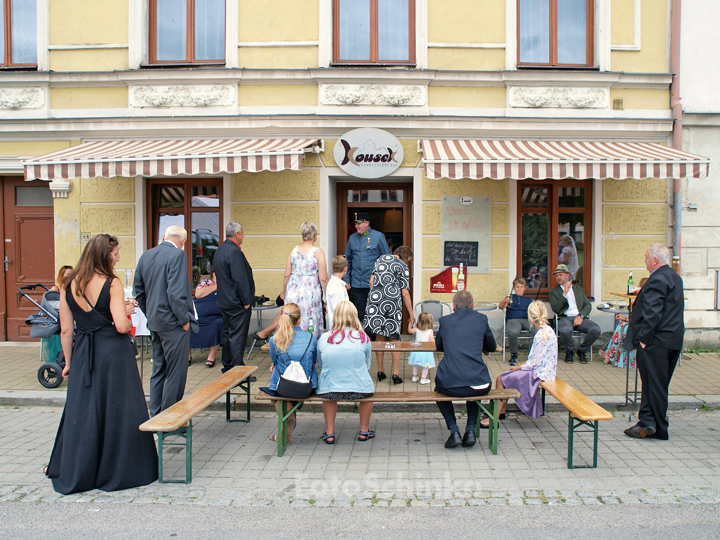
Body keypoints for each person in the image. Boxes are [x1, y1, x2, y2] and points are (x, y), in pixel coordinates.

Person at [46, 234, 157, 494]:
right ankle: (119, 469)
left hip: (84, 351)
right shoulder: (111, 283)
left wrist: (69, 363)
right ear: (105, 255)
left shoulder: (68, 283)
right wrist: (127, 314)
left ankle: (80, 468)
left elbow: (65, 330)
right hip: (113, 353)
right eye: (116, 252)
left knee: (83, 410)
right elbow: (120, 325)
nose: (118, 257)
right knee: (118, 410)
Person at [134, 225, 197, 417]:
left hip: (155, 322)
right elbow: (176, 293)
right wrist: (184, 319)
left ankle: (155, 414)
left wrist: (150, 313)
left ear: (164, 236)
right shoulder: (177, 255)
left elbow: (139, 291)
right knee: (175, 372)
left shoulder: (146, 255)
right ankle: (170, 417)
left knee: (158, 369)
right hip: (174, 323)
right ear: (183, 242)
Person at [624, 244, 685, 440]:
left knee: (655, 384)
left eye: (646, 257)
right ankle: (646, 421)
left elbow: (653, 314)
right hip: (672, 340)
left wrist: (643, 339)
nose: (644, 260)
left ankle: (660, 428)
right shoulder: (674, 277)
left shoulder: (656, 279)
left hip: (655, 341)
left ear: (654, 260)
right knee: (655, 383)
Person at [434, 290, 499, 449]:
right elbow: (491, 346)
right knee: (474, 390)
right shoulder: (481, 319)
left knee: (438, 391)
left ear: (453, 306)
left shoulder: (445, 321)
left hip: (449, 383)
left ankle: (454, 431)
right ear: (472, 306)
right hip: (479, 382)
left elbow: (439, 346)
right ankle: (470, 429)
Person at [480, 301, 557, 428]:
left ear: (531, 317)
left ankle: (494, 418)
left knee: (501, 379)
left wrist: (519, 367)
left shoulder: (541, 335)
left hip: (539, 373)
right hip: (544, 370)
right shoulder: (548, 330)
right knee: (505, 377)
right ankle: (501, 411)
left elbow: (534, 363)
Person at [253, 222, 329, 340]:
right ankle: (309, 347)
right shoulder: (317, 252)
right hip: (309, 293)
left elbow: (286, 275)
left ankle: (288, 346)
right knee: (310, 320)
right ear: (315, 235)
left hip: (293, 291)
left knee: (290, 319)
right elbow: (323, 278)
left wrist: (285, 292)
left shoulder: (294, 251)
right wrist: (327, 297)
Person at [316, 301, 375, 444]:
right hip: (359, 389)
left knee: (328, 395)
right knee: (368, 390)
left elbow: (320, 364)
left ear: (335, 317)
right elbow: (367, 364)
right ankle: (364, 430)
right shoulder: (362, 338)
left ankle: (330, 433)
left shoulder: (324, 338)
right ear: (354, 316)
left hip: (330, 389)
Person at [259, 303, 318, 444]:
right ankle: (289, 418)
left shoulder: (274, 340)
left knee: (275, 387)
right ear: (299, 319)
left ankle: (288, 417)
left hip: (285, 387)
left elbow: (275, 360)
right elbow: (314, 362)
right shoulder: (311, 338)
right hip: (308, 386)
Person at [363, 246, 415, 384]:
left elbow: (371, 282)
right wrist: (411, 313)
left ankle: (380, 370)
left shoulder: (381, 259)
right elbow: (404, 292)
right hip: (392, 302)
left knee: (379, 336)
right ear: (405, 257)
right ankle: (396, 373)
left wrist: (378, 293)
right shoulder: (403, 266)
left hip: (375, 301)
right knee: (394, 338)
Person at [213, 221, 255, 373]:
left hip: (225, 301)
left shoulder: (220, 250)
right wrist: (246, 301)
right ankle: (237, 370)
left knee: (228, 334)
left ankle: (228, 365)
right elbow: (240, 278)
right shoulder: (234, 252)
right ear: (237, 234)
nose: (243, 236)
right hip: (237, 303)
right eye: (242, 233)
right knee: (238, 336)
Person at [549, 264, 600, 365]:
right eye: (557, 275)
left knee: (596, 329)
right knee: (565, 330)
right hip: (564, 318)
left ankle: (582, 351)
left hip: (579, 317)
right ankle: (569, 351)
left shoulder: (578, 289)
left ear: (567, 275)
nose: (558, 277)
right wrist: (565, 293)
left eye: (560, 275)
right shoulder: (553, 292)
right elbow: (556, 308)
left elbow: (587, 305)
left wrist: (581, 316)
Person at [343, 212, 390, 323]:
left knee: (374, 312)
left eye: (359, 224)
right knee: (359, 312)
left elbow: (386, 260)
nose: (356, 226)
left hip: (374, 283)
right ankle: (360, 337)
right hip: (356, 283)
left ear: (366, 223)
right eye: (355, 224)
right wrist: (347, 279)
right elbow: (347, 260)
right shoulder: (352, 238)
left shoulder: (379, 237)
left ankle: (373, 338)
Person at [599, 278, 648, 368]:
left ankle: (610, 354)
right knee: (622, 326)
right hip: (643, 327)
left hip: (641, 330)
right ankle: (611, 354)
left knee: (622, 327)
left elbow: (637, 320)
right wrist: (625, 319)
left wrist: (625, 319)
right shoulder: (649, 301)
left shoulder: (641, 302)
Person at [498, 277, 536, 366]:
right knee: (513, 332)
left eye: (521, 287)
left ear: (525, 288)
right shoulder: (510, 298)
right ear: (514, 288)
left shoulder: (528, 300)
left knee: (539, 332)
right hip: (513, 320)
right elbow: (500, 306)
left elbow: (533, 312)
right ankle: (514, 354)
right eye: (517, 286)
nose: (519, 289)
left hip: (526, 320)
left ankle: (534, 354)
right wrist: (505, 301)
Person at [190, 267, 223, 368]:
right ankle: (187, 356)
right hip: (199, 315)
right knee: (188, 323)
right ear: (213, 274)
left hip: (215, 317)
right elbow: (198, 294)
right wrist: (217, 286)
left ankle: (211, 356)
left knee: (218, 323)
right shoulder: (206, 281)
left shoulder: (227, 284)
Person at [407, 312, 435, 384]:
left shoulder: (417, 329)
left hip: (417, 350)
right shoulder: (430, 331)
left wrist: (410, 323)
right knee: (426, 365)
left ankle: (414, 376)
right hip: (426, 351)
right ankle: (423, 378)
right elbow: (432, 341)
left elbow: (409, 330)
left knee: (416, 364)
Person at [326, 255, 349, 331]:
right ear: (345, 268)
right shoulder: (338, 288)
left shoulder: (331, 283)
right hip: (339, 330)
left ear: (332, 268)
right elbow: (339, 311)